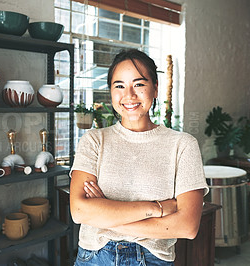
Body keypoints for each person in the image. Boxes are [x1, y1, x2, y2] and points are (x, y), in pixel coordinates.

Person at [69, 49, 209, 265]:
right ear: (111, 92)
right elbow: (79, 212)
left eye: (139, 84)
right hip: (95, 257)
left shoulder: (182, 145)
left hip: (154, 259)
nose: (129, 95)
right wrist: (158, 208)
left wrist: (106, 216)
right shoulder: (94, 140)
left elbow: (187, 226)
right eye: (119, 86)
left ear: (155, 88)